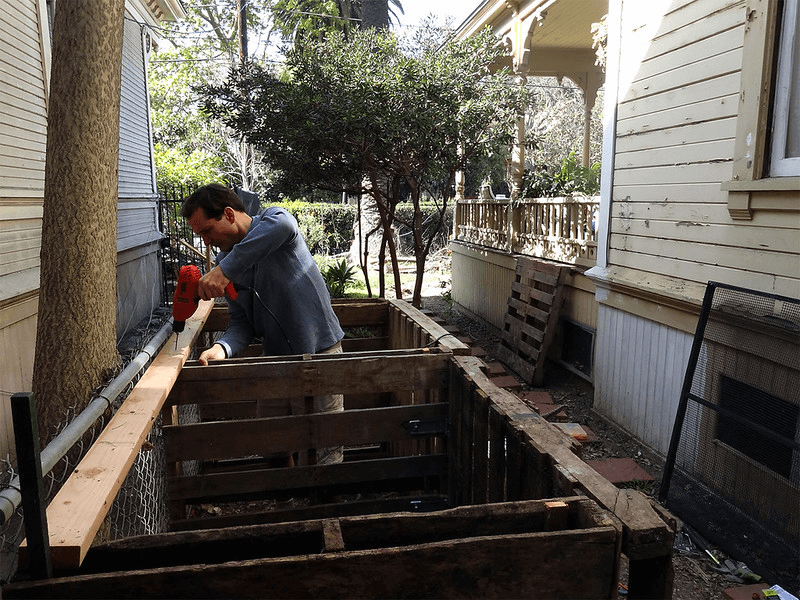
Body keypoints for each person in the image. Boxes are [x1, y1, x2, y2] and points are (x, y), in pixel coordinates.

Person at [180, 183, 345, 465]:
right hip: (276, 360)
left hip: (321, 354)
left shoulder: (274, 221)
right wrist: (221, 349)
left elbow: (284, 226)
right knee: (272, 444)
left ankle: (324, 506)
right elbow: (242, 323)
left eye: (207, 231)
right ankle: (286, 502)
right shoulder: (225, 261)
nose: (206, 242)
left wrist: (225, 270)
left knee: (323, 449)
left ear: (229, 214)